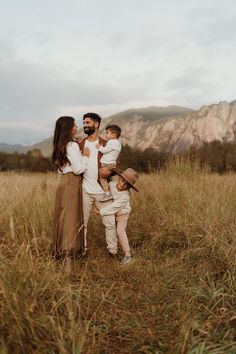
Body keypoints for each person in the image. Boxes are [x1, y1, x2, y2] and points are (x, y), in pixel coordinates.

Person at [51, 116, 90, 272]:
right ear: (68, 128)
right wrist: (85, 156)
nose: (76, 127)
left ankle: (61, 258)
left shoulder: (61, 145)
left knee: (63, 217)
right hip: (72, 183)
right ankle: (67, 262)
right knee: (70, 219)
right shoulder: (71, 146)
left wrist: (76, 144)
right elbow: (79, 169)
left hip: (63, 183)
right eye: (73, 126)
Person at [79, 112, 118, 256]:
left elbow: (115, 164)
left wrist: (109, 171)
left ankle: (113, 252)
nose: (85, 125)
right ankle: (81, 251)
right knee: (82, 223)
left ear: (96, 124)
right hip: (84, 189)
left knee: (110, 223)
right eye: (83, 123)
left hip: (103, 191)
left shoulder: (106, 144)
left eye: (87, 123)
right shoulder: (80, 144)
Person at [98, 168, 139, 265]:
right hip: (114, 212)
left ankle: (128, 255)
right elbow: (105, 188)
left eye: (126, 185)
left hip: (122, 214)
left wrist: (100, 212)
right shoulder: (112, 184)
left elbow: (113, 207)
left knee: (120, 231)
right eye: (122, 180)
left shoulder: (125, 196)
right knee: (113, 229)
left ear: (129, 187)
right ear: (119, 177)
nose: (122, 185)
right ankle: (114, 249)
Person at [96, 124, 122, 201]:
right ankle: (116, 192)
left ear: (113, 135)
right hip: (113, 164)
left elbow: (105, 150)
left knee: (102, 178)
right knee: (113, 178)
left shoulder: (111, 142)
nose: (106, 135)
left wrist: (99, 147)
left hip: (106, 164)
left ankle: (107, 194)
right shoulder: (118, 143)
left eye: (107, 133)